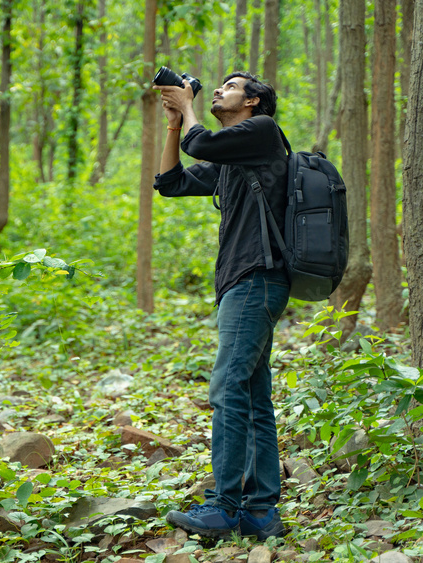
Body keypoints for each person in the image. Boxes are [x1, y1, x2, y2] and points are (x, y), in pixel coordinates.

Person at [154, 72, 289, 541]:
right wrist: (175, 122)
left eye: (228, 87)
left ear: (252, 101)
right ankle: (260, 512)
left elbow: (203, 144)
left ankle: (224, 507)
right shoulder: (234, 154)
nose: (216, 91)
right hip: (244, 283)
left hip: (255, 279)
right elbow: (170, 182)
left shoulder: (263, 131)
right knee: (252, 396)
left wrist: (189, 112)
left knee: (227, 389)